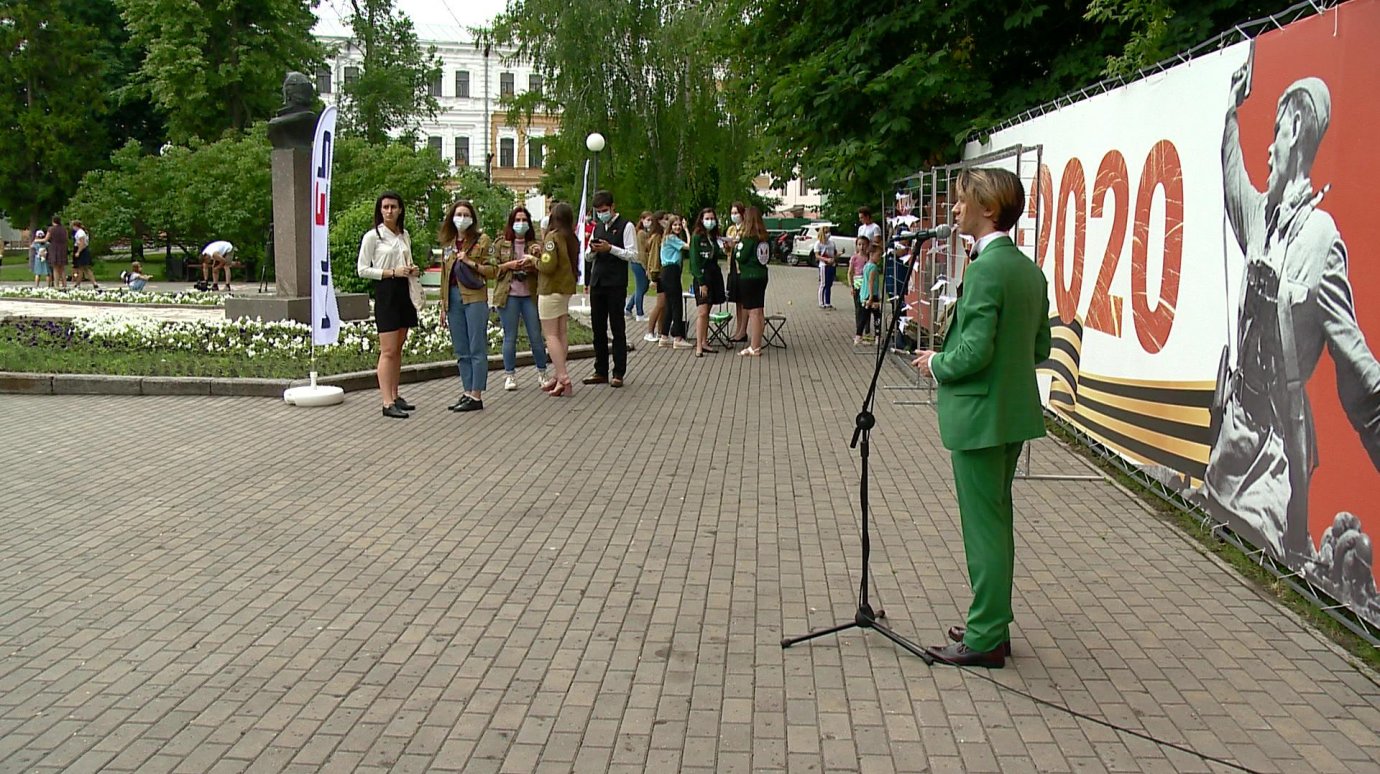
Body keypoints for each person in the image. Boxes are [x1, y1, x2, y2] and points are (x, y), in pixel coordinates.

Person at [1202, 65, 1380, 565]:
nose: (1268, 148)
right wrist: (1230, 113)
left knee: (1257, 557)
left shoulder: (1322, 241)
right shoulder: (1262, 215)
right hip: (1233, 435)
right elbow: (1234, 178)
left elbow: (1359, 370)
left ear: (1297, 128)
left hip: (1274, 456)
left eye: (1276, 132)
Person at [912, 167, 1051, 668]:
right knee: (997, 519)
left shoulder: (986, 269)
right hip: (1011, 414)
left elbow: (971, 351)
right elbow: (1041, 346)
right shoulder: (1028, 271)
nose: (953, 210)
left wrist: (936, 365)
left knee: (984, 528)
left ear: (987, 208)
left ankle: (986, 634)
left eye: (960, 201)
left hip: (980, 416)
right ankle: (991, 620)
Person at [356, 191, 422, 419]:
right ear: (380, 210)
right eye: (385, 207)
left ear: (400, 209)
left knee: (399, 347)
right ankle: (386, 401)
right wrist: (391, 272)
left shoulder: (404, 235)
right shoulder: (373, 236)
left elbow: (406, 260)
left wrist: (411, 269)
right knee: (388, 349)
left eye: (393, 207)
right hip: (387, 290)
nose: (389, 211)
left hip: (404, 289)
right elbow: (363, 269)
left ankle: (395, 395)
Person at [439, 200, 496, 412]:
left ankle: (476, 394)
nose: (461, 219)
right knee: (461, 349)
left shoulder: (482, 240)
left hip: (474, 297)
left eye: (465, 215)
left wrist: (470, 262)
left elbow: (493, 270)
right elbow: (445, 276)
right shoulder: (449, 243)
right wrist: (443, 305)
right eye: (457, 214)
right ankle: (466, 391)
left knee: (476, 347)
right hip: (453, 298)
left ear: (472, 218)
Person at [491, 206, 551, 392]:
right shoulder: (501, 243)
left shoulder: (536, 244)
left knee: (536, 336)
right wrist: (510, 265)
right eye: (517, 220)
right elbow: (492, 269)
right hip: (508, 295)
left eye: (524, 220)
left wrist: (534, 260)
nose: (521, 224)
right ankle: (509, 375)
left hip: (530, 295)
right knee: (510, 336)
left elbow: (546, 266)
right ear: (511, 223)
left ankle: (542, 373)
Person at [586, 191, 635, 387]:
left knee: (617, 327)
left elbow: (633, 254)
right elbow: (588, 257)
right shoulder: (597, 227)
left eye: (604, 210)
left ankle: (619, 371)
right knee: (598, 328)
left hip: (615, 283)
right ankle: (600, 370)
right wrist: (592, 251)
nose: (601, 214)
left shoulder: (626, 226)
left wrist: (611, 249)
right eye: (598, 212)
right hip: (597, 282)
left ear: (613, 207)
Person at [536, 202, 580, 397]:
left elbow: (547, 266)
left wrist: (533, 260)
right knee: (561, 333)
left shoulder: (552, 237)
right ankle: (558, 374)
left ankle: (562, 376)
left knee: (551, 335)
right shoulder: (571, 237)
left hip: (550, 289)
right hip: (565, 289)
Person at [688, 207, 727, 356]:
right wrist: (701, 282)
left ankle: (704, 341)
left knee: (708, 310)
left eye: (712, 218)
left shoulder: (714, 236)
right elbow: (694, 261)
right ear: (701, 220)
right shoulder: (697, 237)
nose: (710, 221)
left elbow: (717, 254)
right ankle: (698, 345)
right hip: (702, 276)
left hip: (714, 274)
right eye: (707, 218)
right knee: (702, 311)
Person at [734, 206, 771, 356]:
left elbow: (740, 256)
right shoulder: (764, 238)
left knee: (753, 312)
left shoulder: (748, 238)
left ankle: (754, 347)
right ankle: (757, 344)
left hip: (749, 277)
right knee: (759, 311)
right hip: (762, 275)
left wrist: (736, 248)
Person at [658, 214, 693, 349]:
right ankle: (678, 337)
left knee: (669, 304)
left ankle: (664, 336)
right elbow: (689, 246)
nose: (678, 227)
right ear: (670, 226)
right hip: (671, 270)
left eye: (679, 225)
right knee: (676, 304)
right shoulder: (671, 238)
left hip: (667, 272)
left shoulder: (668, 238)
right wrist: (686, 229)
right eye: (675, 225)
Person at [725, 201, 748, 342]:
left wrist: (737, 243)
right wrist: (727, 245)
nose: (734, 216)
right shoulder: (731, 229)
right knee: (737, 301)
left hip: (742, 267)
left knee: (744, 301)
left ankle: (743, 331)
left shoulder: (746, 228)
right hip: (732, 265)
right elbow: (727, 249)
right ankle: (739, 329)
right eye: (732, 213)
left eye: (736, 213)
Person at [642, 212, 666, 343]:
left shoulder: (662, 236)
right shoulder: (657, 237)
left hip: (663, 273)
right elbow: (654, 257)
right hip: (659, 273)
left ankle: (661, 331)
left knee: (664, 305)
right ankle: (650, 331)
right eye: (665, 219)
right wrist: (653, 276)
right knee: (660, 304)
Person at [624, 210, 653, 321]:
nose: (649, 222)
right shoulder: (641, 233)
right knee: (641, 287)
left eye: (651, 220)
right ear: (642, 220)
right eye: (647, 220)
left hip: (638, 262)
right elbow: (642, 252)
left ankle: (628, 308)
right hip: (639, 263)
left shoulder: (644, 233)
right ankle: (639, 314)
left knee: (642, 288)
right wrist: (646, 267)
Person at [848, 236, 872, 345]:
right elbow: (850, 273)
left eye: (864, 244)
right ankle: (859, 330)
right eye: (859, 244)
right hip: (857, 284)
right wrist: (851, 286)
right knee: (858, 308)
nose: (861, 247)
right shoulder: (854, 258)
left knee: (866, 307)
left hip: (866, 285)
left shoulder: (869, 258)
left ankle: (866, 330)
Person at [858, 244, 883, 345]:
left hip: (864, 294)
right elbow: (871, 282)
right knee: (877, 317)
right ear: (871, 254)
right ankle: (877, 336)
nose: (879, 257)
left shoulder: (866, 266)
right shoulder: (873, 268)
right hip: (871, 295)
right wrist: (872, 296)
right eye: (878, 255)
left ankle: (858, 335)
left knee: (864, 316)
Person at [70, 220, 97, 290]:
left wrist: (78, 251)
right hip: (83, 250)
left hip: (82, 251)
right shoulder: (83, 232)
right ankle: (94, 283)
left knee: (81, 268)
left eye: (73, 226)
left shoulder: (80, 233)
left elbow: (82, 243)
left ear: (75, 226)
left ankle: (77, 284)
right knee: (85, 268)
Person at [814, 226, 837, 308]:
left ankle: (828, 302)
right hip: (823, 265)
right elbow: (817, 256)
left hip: (831, 265)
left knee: (829, 284)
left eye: (829, 232)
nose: (828, 234)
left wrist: (835, 258)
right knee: (823, 284)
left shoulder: (832, 243)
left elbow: (834, 253)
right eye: (826, 232)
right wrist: (826, 260)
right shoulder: (818, 243)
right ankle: (821, 302)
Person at [46, 217, 68, 291]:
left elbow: (46, 239)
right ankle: (65, 285)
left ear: (53, 221)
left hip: (54, 248)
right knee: (62, 268)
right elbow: (66, 238)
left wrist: (37, 240)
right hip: (63, 248)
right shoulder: (64, 229)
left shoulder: (51, 229)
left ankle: (56, 285)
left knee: (55, 268)